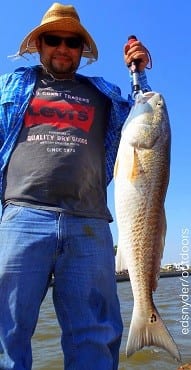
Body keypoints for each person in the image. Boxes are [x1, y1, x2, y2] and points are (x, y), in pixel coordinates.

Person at [0, 3, 151, 369]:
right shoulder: (13, 85)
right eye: (54, 39)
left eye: (73, 42)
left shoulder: (103, 93)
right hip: (22, 215)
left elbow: (147, 118)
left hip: (89, 222)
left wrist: (140, 73)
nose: (63, 48)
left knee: (95, 336)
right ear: (39, 44)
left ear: (82, 50)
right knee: (6, 333)